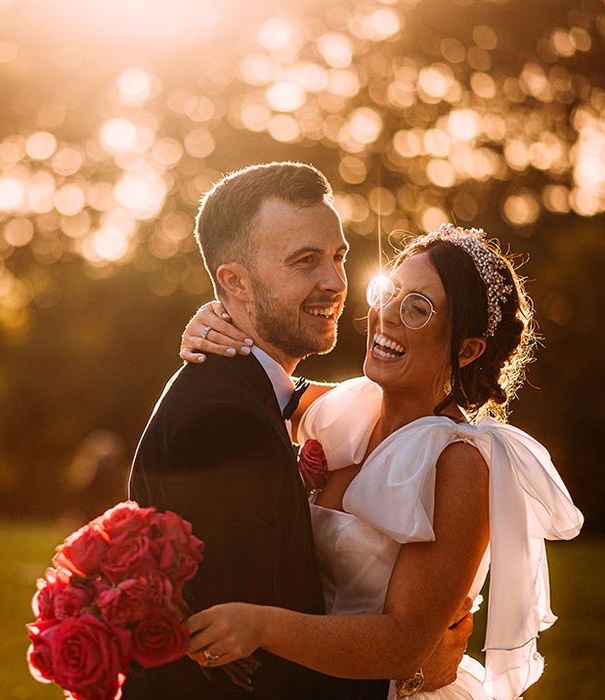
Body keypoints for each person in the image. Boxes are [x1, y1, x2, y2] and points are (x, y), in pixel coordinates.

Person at [179, 224, 584, 699]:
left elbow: (404, 642)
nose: (386, 316)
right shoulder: (351, 406)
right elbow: (261, 391)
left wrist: (261, 627)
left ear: (468, 349)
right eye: (388, 291)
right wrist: (213, 319)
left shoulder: (458, 463)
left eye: (417, 308)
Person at [125, 162, 472, 700]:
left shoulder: (281, 400)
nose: (335, 282)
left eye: (338, 258)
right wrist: (406, 675)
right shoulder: (226, 420)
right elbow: (249, 665)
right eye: (305, 261)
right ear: (234, 282)